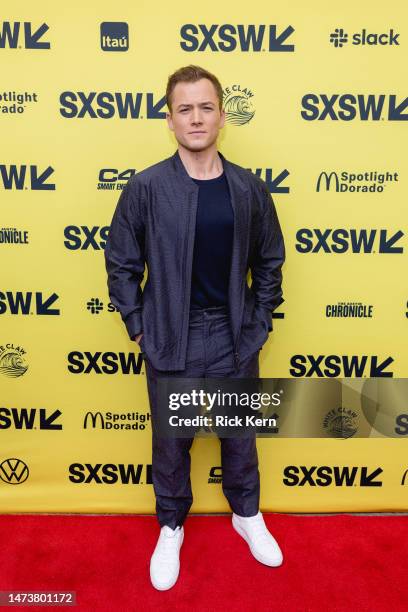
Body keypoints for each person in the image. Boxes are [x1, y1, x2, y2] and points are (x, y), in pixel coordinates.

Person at [104, 65, 285, 591]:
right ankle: (171, 525)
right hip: (170, 334)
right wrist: (140, 327)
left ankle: (246, 515)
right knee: (170, 442)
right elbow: (121, 262)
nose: (196, 117)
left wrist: (257, 326)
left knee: (239, 437)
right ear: (170, 119)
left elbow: (270, 261)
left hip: (233, 334)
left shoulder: (248, 188)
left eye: (206, 107)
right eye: (185, 108)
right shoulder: (147, 187)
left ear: (222, 115)